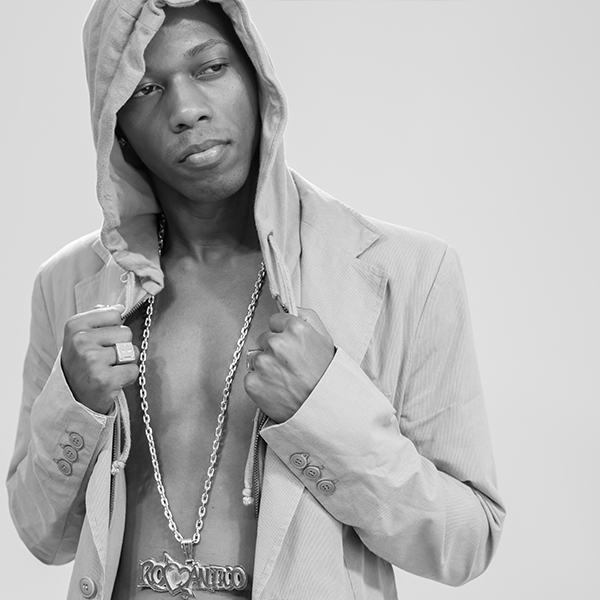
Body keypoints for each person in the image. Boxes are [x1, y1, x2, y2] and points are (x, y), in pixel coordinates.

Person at [6, 1, 505, 598]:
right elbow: (43, 536)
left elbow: (466, 542)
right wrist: (75, 404)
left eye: (211, 68)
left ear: (257, 79)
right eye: (145, 89)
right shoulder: (69, 284)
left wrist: (326, 412)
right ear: (116, 127)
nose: (186, 110)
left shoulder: (406, 272)